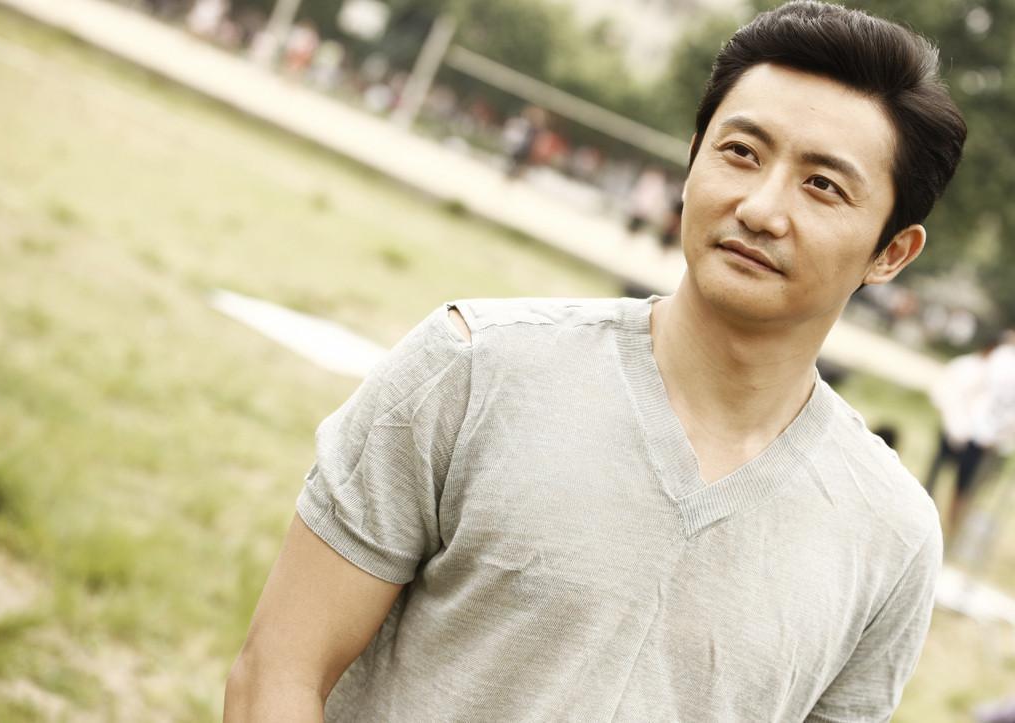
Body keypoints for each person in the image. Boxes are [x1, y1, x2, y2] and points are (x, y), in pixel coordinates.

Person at [224, 2, 966, 720]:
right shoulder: (471, 370)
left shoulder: (891, 535)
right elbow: (277, 674)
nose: (761, 208)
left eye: (822, 185)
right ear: (692, 161)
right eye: (741, 152)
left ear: (891, 253)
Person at [925, 341, 998, 536]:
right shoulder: (965, 366)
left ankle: (951, 529)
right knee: (934, 476)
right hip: (952, 428)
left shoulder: (1000, 375)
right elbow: (943, 392)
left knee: (964, 488)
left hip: (977, 440)